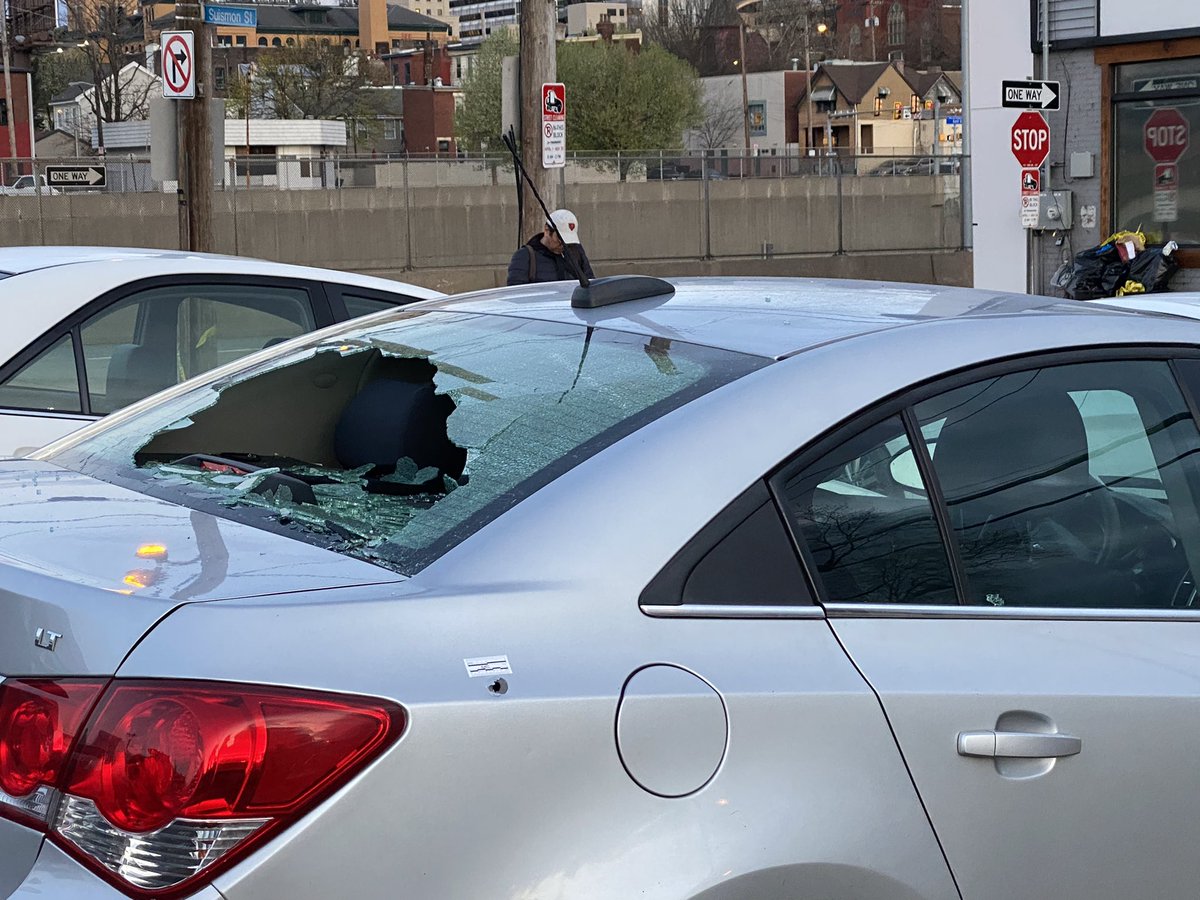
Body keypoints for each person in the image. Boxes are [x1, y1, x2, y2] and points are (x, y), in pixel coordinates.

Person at [506, 209, 596, 285]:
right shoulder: (525, 256)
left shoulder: (576, 252)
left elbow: (591, 285)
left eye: (568, 241)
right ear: (547, 230)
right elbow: (516, 293)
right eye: (560, 239)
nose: (563, 245)